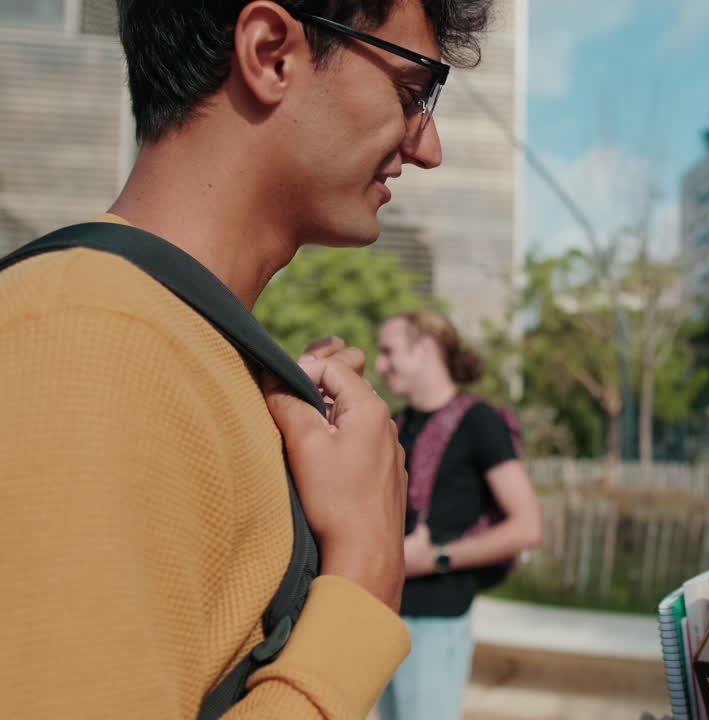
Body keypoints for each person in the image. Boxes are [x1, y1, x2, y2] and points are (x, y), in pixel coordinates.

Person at [0, 0, 492, 717]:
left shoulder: (176, 344)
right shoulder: (82, 337)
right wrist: (362, 577)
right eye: (413, 93)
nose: (429, 146)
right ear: (270, 53)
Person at [374, 309, 543, 720]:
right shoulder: (397, 424)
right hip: (385, 615)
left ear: (425, 349)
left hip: (435, 622)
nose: (379, 365)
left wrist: (436, 558)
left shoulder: (479, 422)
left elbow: (527, 527)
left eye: (388, 352)